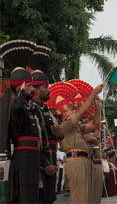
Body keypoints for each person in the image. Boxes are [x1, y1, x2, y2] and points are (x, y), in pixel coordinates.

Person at [49, 83, 103, 203]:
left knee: (88, 198)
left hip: (84, 161)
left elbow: (95, 125)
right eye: (71, 110)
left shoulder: (76, 127)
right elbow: (82, 112)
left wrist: (98, 108)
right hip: (76, 162)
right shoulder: (65, 125)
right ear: (64, 115)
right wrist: (93, 93)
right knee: (79, 198)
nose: (75, 111)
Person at [7, 67, 41, 203]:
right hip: (23, 160)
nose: (33, 89)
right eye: (29, 86)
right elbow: (16, 108)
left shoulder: (29, 109)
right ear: (20, 87)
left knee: (32, 197)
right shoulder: (15, 106)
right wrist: (21, 93)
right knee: (24, 197)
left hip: (32, 158)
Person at [31, 70, 63, 204]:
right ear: (36, 90)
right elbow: (34, 141)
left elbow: (59, 136)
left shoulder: (47, 111)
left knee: (49, 198)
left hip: (52, 159)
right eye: (45, 87)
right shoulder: (32, 109)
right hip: (40, 163)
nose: (49, 90)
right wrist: (44, 165)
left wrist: (59, 133)